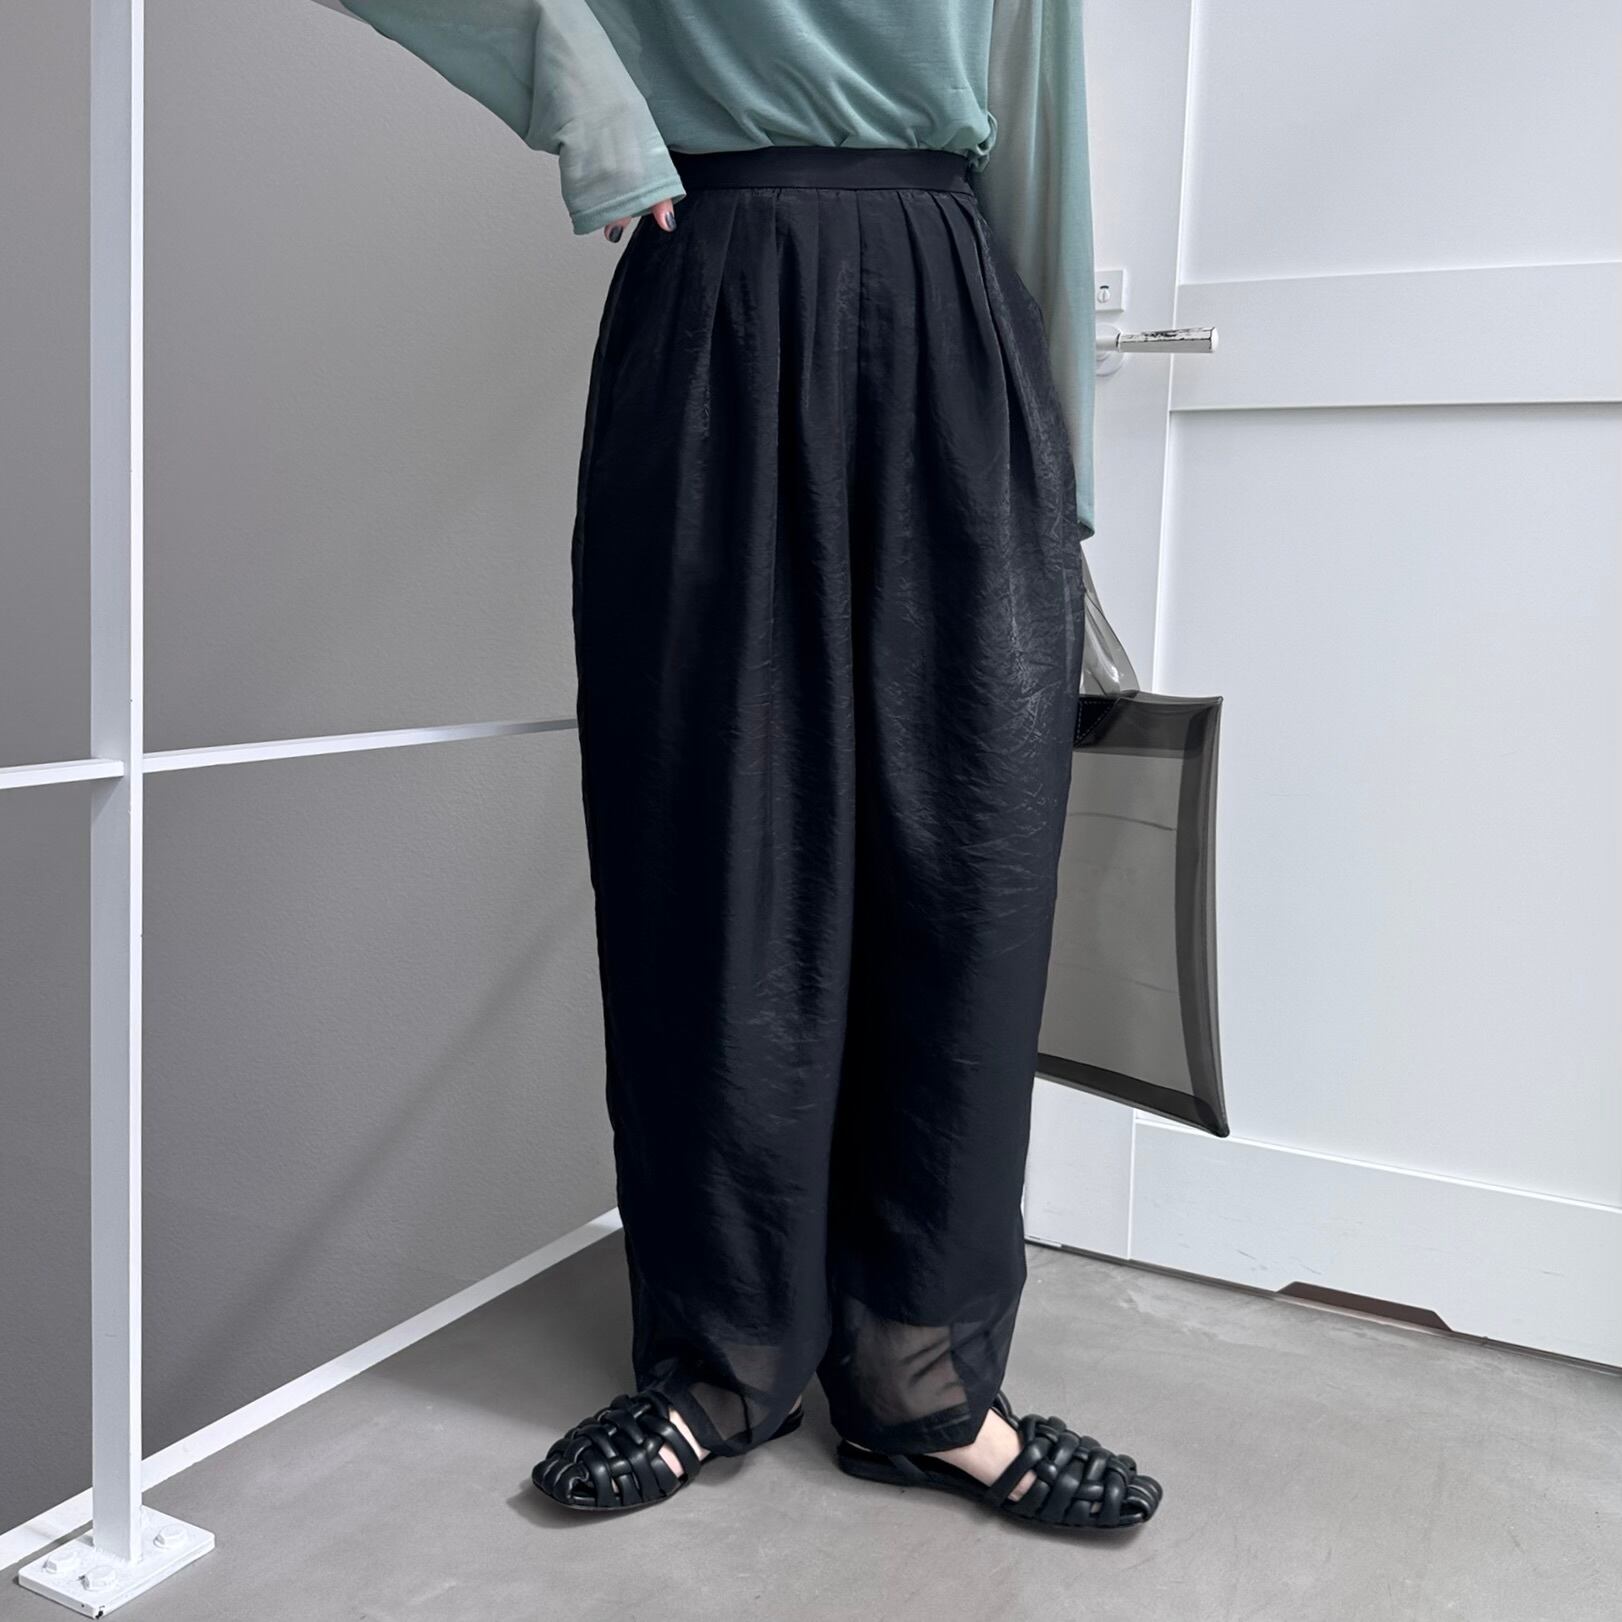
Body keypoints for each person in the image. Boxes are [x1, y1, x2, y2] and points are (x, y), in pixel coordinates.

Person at [316, 0, 1162, 1533]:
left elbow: (1038, 126)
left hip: (952, 315)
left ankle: (924, 1376)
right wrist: (598, 117)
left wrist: (1063, 472)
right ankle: (720, 1360)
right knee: (709, 844)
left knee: (965, 862)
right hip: (716, 295)